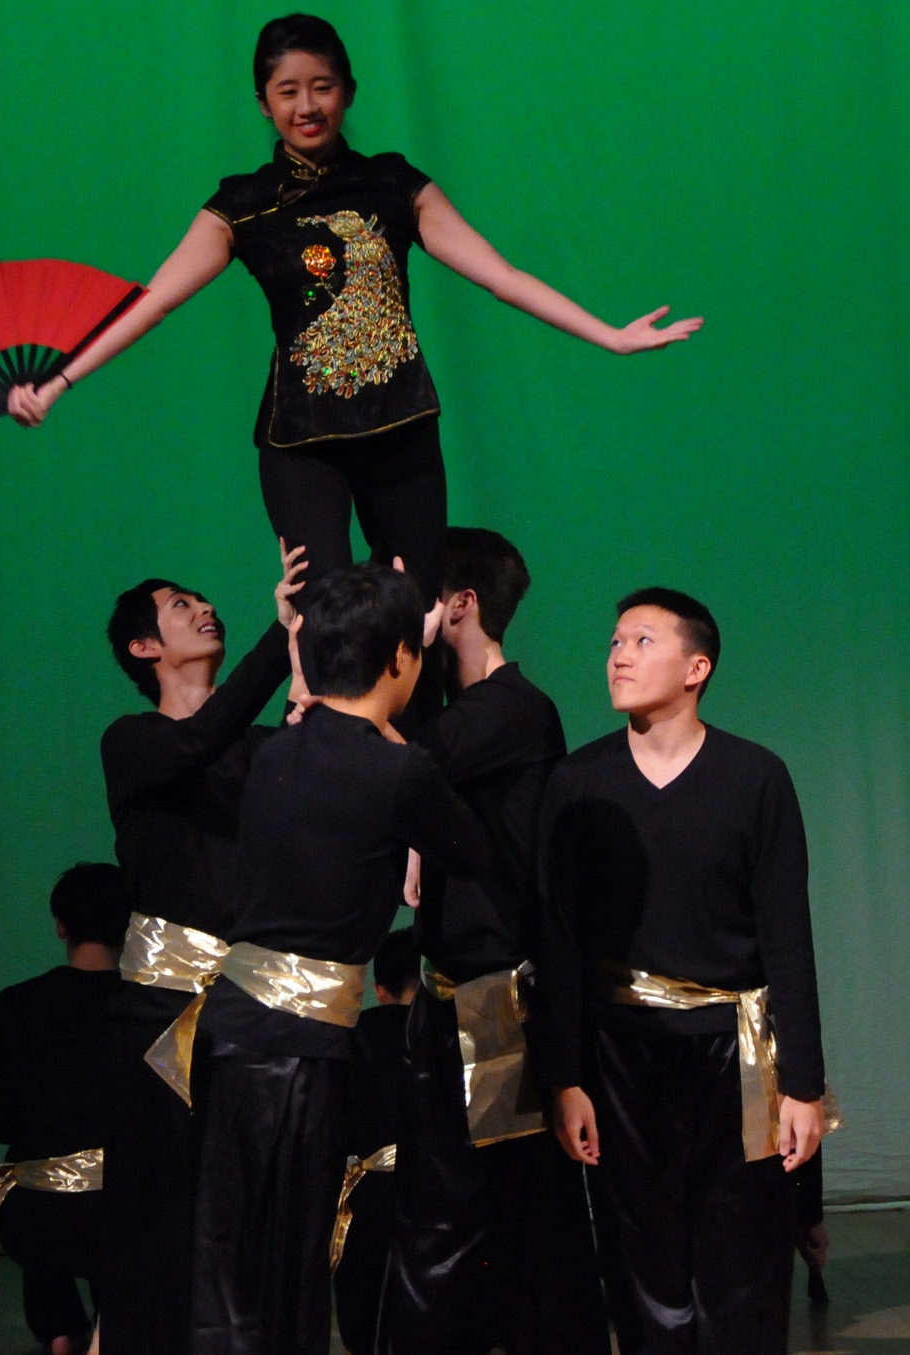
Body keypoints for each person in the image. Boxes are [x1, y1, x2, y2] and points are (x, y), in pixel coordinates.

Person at [6, 13, 703, 613]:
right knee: (328, 615)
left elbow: (504, 278)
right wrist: (59, 380)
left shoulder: (393, 184)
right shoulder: (242, 205)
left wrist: (611, 337)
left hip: (402, 429)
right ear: (263, 104)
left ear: (348, 92)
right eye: (288, 91)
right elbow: (153, 301)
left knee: (416, 610)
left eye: (323, 87)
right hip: (302, 443)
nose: (307, 105)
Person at [185, 563, 489, 1355]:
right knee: (290, 1255)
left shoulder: (273, 755)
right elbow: (474, 850)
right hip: (299, 1050)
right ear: (400, 658)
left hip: (226, 1032)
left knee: (226, 1251)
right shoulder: (398, 767)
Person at [537, 588, 828, 1355]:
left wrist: (803, 1086)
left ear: (696, 667)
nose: (618, 655)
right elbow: (559, 941)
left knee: (744, 1261)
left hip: (735, 1055)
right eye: (613, 641)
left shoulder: (754, 777)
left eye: (641, 640)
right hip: (620, 1053)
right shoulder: (578, 781)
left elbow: (787, 939)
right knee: (640, 1259)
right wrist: (564, 1076)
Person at [377, 528, 608, 1355]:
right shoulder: (464, 714)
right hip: (454, 993)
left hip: (496, 1001)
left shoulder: (512, 709)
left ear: (458, 605)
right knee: (458, 1211)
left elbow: (393, 759)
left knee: (503, 1214)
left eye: (415, 601)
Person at [98, 545, 305, 1355]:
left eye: (201, 598)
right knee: (160, 1204)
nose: (203, 608)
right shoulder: (133, 739)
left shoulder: (262, 747)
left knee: (248, 1203)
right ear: (144, 647)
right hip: (160, 1011)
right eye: (180, 605)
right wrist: (278, 635)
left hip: (252, 1008)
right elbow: (198, 743)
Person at [0, 862, 129, 1355]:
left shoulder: (16, 1004)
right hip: (125, 1213)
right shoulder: (152, 1009)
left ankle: (60, 1329)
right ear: (129, 928)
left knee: (40, 1188)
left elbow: (1, 1122)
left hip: (36, 1218)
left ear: (61, 926)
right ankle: (113, 1324)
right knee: (125, 1205)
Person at [333, 929, 420, 1355]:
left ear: (379, 990)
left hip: (366, 1195)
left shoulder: (354, 1034)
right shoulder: (448, 1036)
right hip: (432, 1195)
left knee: (364, 1318)